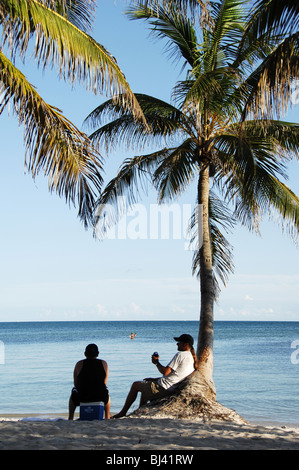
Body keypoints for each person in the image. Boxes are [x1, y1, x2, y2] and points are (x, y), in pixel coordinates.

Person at [113, 334, 197, 419]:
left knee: (135, 385)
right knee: (146, 384)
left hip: (164, 387)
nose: (177, 344)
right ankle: (140, 410)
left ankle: (123, 412)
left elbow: (165, 372)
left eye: (179, 342)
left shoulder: (180, 355)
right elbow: (176, 375)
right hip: (171, 387)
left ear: (186, 344)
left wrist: (156, 362)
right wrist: (155, 379)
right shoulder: (191, 357)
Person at [68, 343, 111, 420]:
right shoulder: (104, 363)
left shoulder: (79, 364)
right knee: (106, 393)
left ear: (85, 353)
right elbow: (104, 383)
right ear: (98, 353)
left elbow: (76, 383)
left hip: (82, 396)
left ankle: (71, 417)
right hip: (100, 396)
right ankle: (107, 416)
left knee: (73, 393)